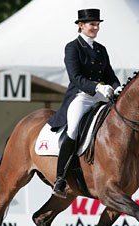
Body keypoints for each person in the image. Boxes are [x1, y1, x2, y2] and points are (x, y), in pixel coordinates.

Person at [48, 8, 121, 198]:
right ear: (81, 25)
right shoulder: (72, 47)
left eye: (97, 25)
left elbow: (110, 75)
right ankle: (60, 178)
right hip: (81, 97)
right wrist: (97, 87)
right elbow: (75, 77)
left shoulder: (100, 49)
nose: (96, 28)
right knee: (72, 130)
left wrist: (117, 87)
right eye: (92, 24)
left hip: (101, 97)